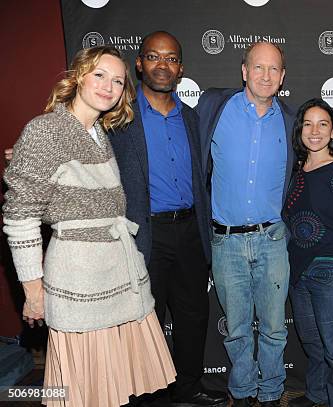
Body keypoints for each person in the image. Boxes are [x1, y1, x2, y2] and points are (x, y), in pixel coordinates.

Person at [2, 45, 175, 407]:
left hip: (118, 282)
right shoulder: (47, 130)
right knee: (84, 394)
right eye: (99, 75)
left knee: (113, 389)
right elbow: (20, 217)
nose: (108, 86)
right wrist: (34, 291)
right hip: (81, 287)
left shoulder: (98, 133)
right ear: (79, 76)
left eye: (116, 80)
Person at [109, 31, 227, 406]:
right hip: (146, 233)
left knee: (194, 316)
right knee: (146, 320)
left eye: (171, 58)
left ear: (181, 68)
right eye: (154, 57)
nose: (163, 65)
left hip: (191, 230)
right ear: (139, 63)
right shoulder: (118, 118)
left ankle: (188, 387)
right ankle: (148, 393)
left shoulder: (191, 118)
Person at [195, 41, 295, 407]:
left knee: (273, 329)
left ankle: (270, 394)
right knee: (236, 331)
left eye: (273, 69)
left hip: (272, 240)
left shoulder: (291, 120)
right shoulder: (213, 108)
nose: (265, 75)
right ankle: (242, 392)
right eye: (258, 67)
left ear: (283, 77)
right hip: (226, 242)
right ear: (243, 71)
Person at [283, 98, 333, 407]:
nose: (314, 131)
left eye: (322, 124)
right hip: (299, 273)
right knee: (313, 344)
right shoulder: (298, 169)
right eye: (308, 124)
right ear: (300, 130)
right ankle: (317, 396)